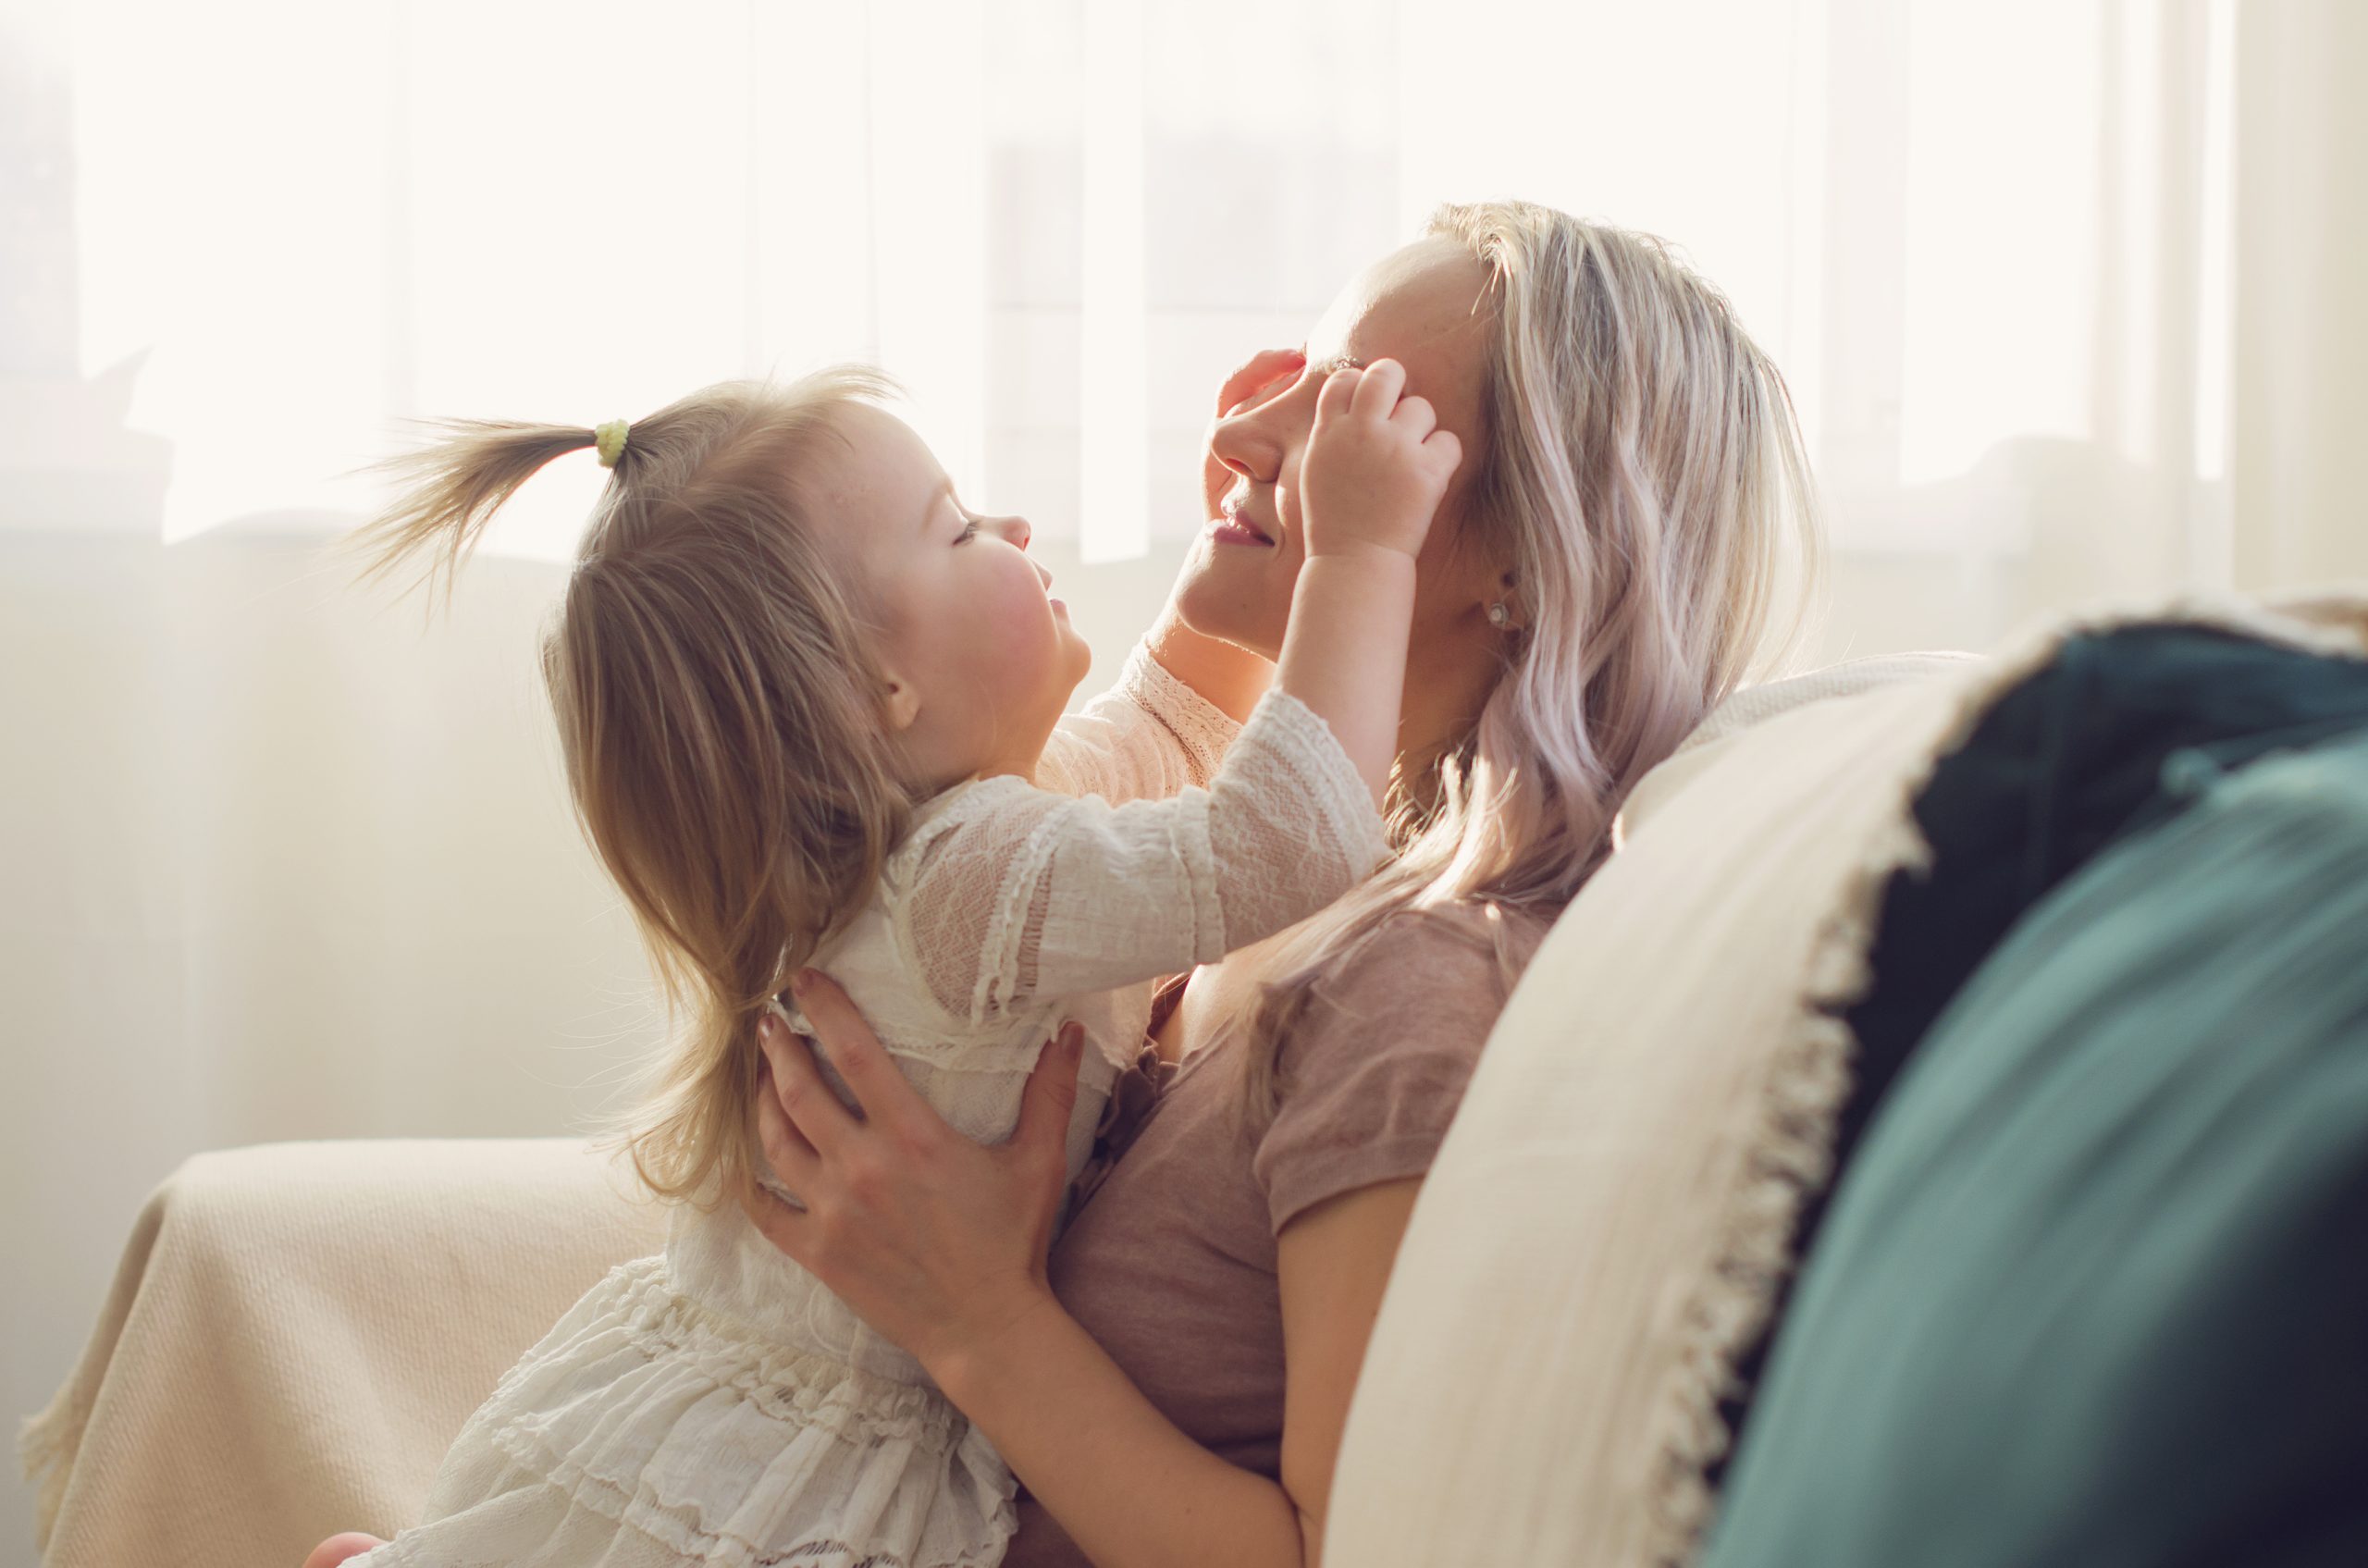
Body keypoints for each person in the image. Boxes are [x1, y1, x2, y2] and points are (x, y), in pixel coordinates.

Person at [729, 198, 1819, 1568]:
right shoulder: (1273, 887)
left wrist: (978, 1325)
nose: (1242, 433)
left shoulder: (1407, 991)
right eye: (1294, 371)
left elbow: (1342, 1554)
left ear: (1525, 566)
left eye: (1356, 413)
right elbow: (1171, 745)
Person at [302, 342, 1462, 1568]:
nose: (1012, 523)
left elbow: (1164, 731)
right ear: (879, 689)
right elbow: (1288, 838)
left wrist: (1234, 571)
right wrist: (1360, 551)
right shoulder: (965, 879)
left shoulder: (951, 852)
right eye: (961, 529)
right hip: (814, 1456)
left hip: (722, 1394)